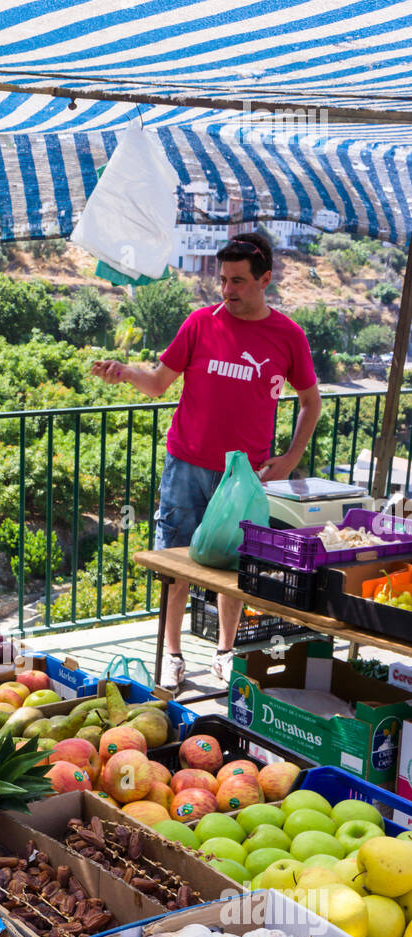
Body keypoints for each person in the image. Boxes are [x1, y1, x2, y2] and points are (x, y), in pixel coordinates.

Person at [92, 233, 322, 691]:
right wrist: (124, 371)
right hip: (185, 465)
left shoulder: (288, 336)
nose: (227, 289)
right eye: (222, 280)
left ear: (265, 279)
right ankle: (172, 656)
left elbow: (310, 402)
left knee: (232, 570)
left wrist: (290, 458)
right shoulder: (200, 324)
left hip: (243, 476)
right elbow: (159, 383)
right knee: (176, 564)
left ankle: (225, 652)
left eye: (238, 280)